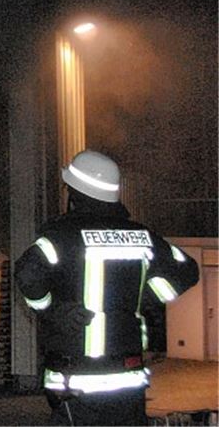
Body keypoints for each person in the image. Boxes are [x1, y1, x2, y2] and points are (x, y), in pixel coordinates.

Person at [14, 149, 199, 426]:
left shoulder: (61, 237)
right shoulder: (142, 236)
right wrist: (146, 297)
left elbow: (27, 273)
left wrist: (52, 309)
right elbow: (187, 270)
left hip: (76, 381)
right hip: (129, 380)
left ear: (76, 194)